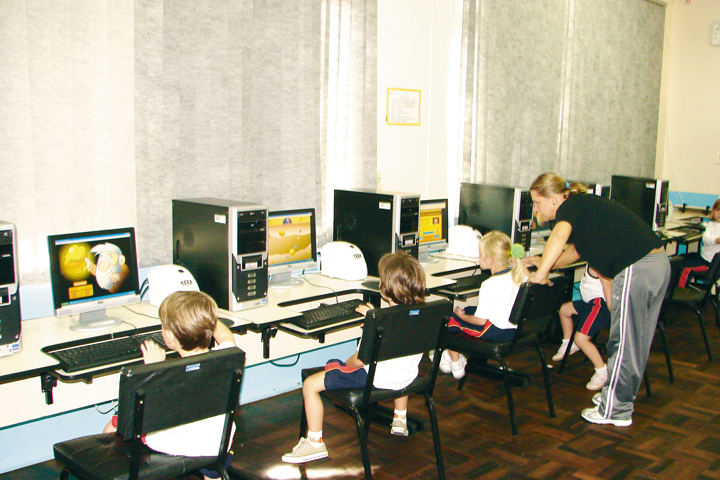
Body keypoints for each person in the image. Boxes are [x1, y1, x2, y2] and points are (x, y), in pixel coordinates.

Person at [526, 172, 670, 427]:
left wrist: (541, 275)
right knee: (635, 341)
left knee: (623, 342)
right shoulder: (583, 206)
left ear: (554, 199)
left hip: (637, 268)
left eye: (537, 203)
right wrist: (545, 263)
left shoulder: (569, 207)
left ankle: (615, 410)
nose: (536, 210)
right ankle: (619, 398)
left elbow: (558, 237)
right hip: (655, 265)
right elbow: (575, 250)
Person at [281, 251, 426, 464]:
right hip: (406, 377)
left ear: (385, 289)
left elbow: (358, 361)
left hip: (375, 380)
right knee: (398, 359)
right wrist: (374, 319)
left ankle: (315, 443)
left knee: (311, 383)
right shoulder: (422, 316)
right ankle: (400, 418)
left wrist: (370, 326)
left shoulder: (380, 323)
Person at [103, 290, 238, 480]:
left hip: (175, 445)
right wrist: (206, 319)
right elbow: (226, 336)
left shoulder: (166, 375)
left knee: (117, 422)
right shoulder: (228, 357)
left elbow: (147, 412)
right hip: (215, 446)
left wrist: (154, 369)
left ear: (170, 336)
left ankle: (108, 468)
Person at [439, 231, 529, 379]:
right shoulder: (518, 275)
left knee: (450, 320)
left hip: (495, 331)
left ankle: (455, 363)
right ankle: (451, 357)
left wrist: (462, 316)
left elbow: (480, 321)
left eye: (480, 255)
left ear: (489, 259)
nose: (478, 258)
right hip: (513, 329)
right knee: (469, 309)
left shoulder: (490, 284)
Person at [553, 265, 610, 391]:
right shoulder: (592, 261)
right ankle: (568, 343)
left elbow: (608, 287)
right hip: (589, 303)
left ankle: (602, 371)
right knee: (564, 310)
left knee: (581, 339)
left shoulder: (598, 265)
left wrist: (614, 311)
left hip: (599, 306)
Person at [677, 198, 720, 287]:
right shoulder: (711, 224)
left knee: (686, 268)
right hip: (702, 256)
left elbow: (707, 239)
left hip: (709, 263)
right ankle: (671, 288)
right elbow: (705, 239)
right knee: (679, 259)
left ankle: (680, 291)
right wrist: (716, 240)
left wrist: (714, 240)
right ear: (713, 211)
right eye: (718, 210)